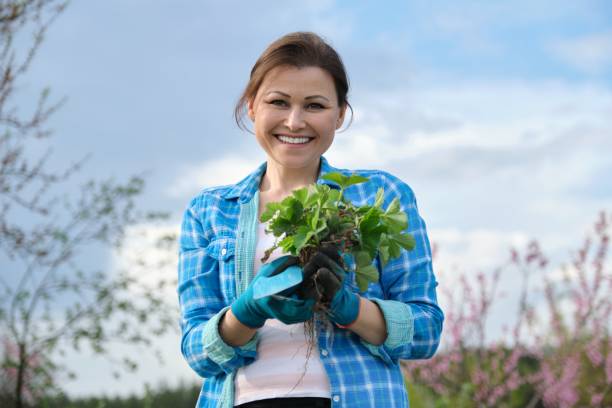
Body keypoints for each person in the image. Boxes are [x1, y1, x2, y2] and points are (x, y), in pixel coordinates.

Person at [178, 31, 444, 408]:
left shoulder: (380, 198)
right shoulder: (210, 210)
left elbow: (426, 331)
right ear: (252, 106)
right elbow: (196, 352)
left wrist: (349, 307)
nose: (295, 121)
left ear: (339, 115)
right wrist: (245, 312)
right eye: (278, 102)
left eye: (315, 106)